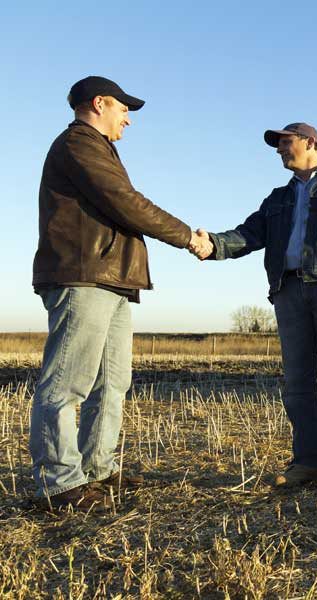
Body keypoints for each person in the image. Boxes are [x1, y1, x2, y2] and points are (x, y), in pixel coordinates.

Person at [31, 76, 212, 512]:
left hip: (112, 278)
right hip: (83, 275)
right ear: (98, 104)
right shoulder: (79, 144)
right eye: (123, 108)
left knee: (112, 382)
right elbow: (125, 201)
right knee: (66, 383)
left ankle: (98, 471)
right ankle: (60, 484)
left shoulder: (98, 148)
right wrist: (188, 236)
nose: (128, 118)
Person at [194, 122, 317, 494]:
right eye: (278, 144)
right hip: (288, 290)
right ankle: (308, 464)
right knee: (298, 384)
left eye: (285, 142)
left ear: (311, 143)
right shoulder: (277, 198)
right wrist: (213, 243)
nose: (280, 149)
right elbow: (249, 234)